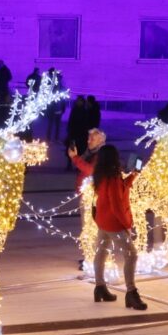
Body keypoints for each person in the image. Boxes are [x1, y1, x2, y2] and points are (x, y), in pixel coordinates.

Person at [91, 145, 147, 311]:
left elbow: (120, 188)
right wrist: (127, 225)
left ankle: (99, 287)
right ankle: (131, 292)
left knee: (101, 252)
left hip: (102, 221)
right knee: (132, 255)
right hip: (114, 224)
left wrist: (133, 176)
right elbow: (117, 205)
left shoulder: (102, 175)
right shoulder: (113, 177)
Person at [68, 128, 105, 192]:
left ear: (100, 141)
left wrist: (75, 157)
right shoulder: (89, 152)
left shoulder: (101, 155)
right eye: (88, 139)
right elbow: (81, 166)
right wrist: (74, 157)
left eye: (92, 139)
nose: (88, 141)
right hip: (86, 192)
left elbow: (90, 170)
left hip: (93, 193)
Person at [65, 96, 89, 170]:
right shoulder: (74, 110)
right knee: (71, 148)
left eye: (80, 101)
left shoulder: (84, 111)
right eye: (78, 101)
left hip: (81, 133)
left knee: (80, 149)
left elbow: (85, 123)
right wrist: (69, 129)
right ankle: (69, 164)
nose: (79, 102)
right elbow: (71, 120)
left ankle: (78, 165)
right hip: (73, 133)